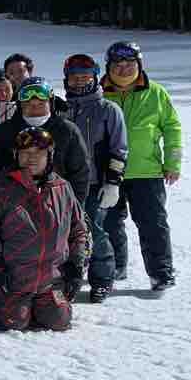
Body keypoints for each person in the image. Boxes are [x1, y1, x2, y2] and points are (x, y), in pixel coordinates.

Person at [0, 128, 89, 331]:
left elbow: (78, 230)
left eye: (39, 153)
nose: (31, 158)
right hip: (13, 279)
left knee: (59, 320)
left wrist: (76, 264)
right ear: (15, 155)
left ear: (49, 156)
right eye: (25, 153)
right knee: (14, 322)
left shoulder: (62, 188)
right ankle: (0, 301)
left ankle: (39, 306)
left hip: (51, 279)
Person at [100, 41, 181, 292]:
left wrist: (173, 162)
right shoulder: (99, 93)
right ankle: (116, 266)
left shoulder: (156, 92)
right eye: (117, 64)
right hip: (107, 171)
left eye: (130, 64)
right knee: (109, 223)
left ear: (139, 65)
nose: (123, 69)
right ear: (109, 66)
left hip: (146, 171)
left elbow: (172, 128)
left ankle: (161, 273)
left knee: (153, 223)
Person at [61, 53, 128, 302]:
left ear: (95, 78)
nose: (80, 81)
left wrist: (113, 182)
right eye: (74, 77)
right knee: (64, 232)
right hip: (65, 184)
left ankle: (102, 279)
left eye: (85, 77)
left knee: (94, 230)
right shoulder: (60, 109)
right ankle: (65, 277)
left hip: (95, 183)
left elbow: (119, 149)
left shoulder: (108, 110)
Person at [0, 76, 90, 205]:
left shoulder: (67, 130)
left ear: (50, 103)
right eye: (29, 104)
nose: (35, 109)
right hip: (13, 205)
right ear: (20, 105)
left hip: (56, 203)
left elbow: (79, 173)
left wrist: (74, 207)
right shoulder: (5, 131)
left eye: (41, 104)